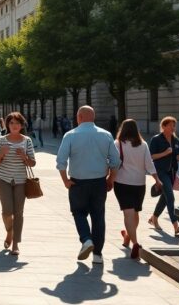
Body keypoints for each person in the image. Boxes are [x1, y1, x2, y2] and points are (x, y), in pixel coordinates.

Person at [56, 106, 120, 264]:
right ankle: (98, 254)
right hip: (99, 182)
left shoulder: (70, 135)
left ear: (79, 117)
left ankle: (86, 239)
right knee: (98, 216)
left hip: (77, 182)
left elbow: (61, 161)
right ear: (93, 117)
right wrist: (110, 179)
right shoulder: (106, 135)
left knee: (78, 212)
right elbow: (116, 161)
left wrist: (65, 180)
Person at [113, 119, 162, 259]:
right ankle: (128, 236)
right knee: (135, 212)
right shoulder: (143, 144)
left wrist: (109, 178)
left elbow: (114, 163)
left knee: (127, 213)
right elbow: (149, 164)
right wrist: (157, 180)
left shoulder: (117, 144)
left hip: (122, 183)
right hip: (139, 184)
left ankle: (135, 243)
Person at [0, 112, 36, 256]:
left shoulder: (27, 140)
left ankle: (15, 243)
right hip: (3, 179)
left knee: (18, 213)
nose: (15, 126)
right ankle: (10, 231)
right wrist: (1, 154)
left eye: (17, 123)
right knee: (6, 211)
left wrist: (24, 157)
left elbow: (32, 163)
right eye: (11, 123)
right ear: (7, 124)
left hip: (21, 181)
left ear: (22, 125)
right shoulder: (1, 140)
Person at [147, 116, 179, 235]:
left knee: (165, 198)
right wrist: (165, 153)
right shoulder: (156, 139)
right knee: (170, 196)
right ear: (163, 126)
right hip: (160, 172)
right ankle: (175, 225)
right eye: (170, 125)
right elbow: (151, 157)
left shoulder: (176, 140)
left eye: (174, 125)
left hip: (172, 172)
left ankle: (154, 218)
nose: (173, 128)